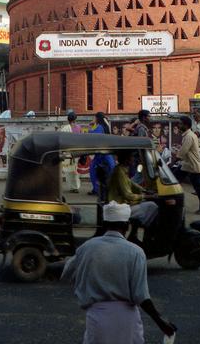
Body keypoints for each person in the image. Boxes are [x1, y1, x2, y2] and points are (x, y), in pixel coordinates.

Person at [61, 201, 177, 344]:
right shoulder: (135, 252)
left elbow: (66, 273)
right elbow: (141, 295)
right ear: (126, 226)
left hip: (97, 317)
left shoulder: (87, 248)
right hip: (127, 320)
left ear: (104, 223)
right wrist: (160, 321)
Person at [108, 151, 159, 242]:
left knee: (146, 204)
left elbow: (132, 184)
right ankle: (147, 237)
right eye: (131, 157)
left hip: (122, 203)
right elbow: (127, 195)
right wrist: (145, 196)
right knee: (152, 206)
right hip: (119, 206)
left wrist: (145, 191)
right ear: (126, 159)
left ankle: (134, 234)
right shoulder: (120, 172)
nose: (133, 159)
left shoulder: (122, 169)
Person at [173, 116, 200, 215]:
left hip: (192, 165)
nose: (179, 125)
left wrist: (173, 160)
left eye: (180, 124)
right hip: (187, 165)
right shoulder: (188, 135)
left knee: (199, 188)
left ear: (186, 125)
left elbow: (182, 152)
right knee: (174, 180)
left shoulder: (189, 136)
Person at [88, 113, 115, 195]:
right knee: (109, 170)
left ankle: (97, 190)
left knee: (93, 170)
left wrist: (90, 126)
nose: (93, 119)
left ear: (97, 118)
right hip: (105, 153)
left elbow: (91, 135)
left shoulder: (99, 127)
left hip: (101, 153)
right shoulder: (105, 126)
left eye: (94, 117)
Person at [60, 111, 81, 193]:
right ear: (75, 119)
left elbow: (61, 140)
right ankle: (76, 186)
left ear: (68, 119)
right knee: (75, 170)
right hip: (76, 152)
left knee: (68, 171)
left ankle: (72, 187)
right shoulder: (78, 127)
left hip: (68, 152)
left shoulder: (64, 128)